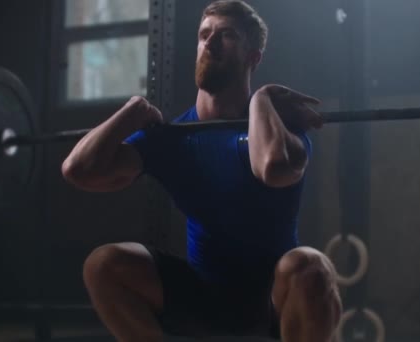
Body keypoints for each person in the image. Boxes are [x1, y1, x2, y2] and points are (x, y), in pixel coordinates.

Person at [61, 0, 342, 341]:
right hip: (205, 296)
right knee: (103, 264)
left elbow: (273, 168)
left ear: (253, 57)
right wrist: (129, 113)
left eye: (226, 35)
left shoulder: (284, 129)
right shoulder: (174, 139)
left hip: (273, 302)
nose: (209, 42)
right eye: (204, 34)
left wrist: (261, 99)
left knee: (310, 267)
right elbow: (79, 170)